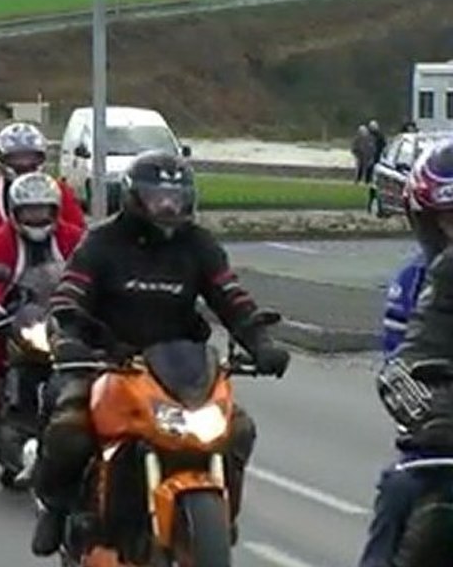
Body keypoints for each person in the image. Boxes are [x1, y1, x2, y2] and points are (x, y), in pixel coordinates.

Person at [29, 150, 290, 557]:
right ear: (134, 198)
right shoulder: (102, 242)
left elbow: (231, 296)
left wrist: (261, 342)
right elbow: (70, 294)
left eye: (177, 196)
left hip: (182, 371)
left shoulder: (199, 245)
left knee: (237, 430)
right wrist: (69, 335)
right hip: (108, 363)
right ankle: (56, 507)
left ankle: (223, 518)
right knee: (69, 429)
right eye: (157, 197)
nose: (168, 206)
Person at [357, 141, 453, 567]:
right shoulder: (423, 284)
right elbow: (403, 364)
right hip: (442, 444)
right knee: (400, 496)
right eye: (449, 220)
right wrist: (432, 416)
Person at [0, 172, 84, 453]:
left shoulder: (75, 238)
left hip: (65, 317)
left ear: (55, 210)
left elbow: (95, 275)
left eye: (43, 209)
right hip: (16, 315)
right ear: (15, 211)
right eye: (29, 210)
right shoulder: (1, 241)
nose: (36, 216)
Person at [0, 123, 85, 343]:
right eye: (17, 158)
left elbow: (84, 257)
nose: (24, 163)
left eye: (31, 157)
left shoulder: (64, 200)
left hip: (57, 294)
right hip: (5, 293)